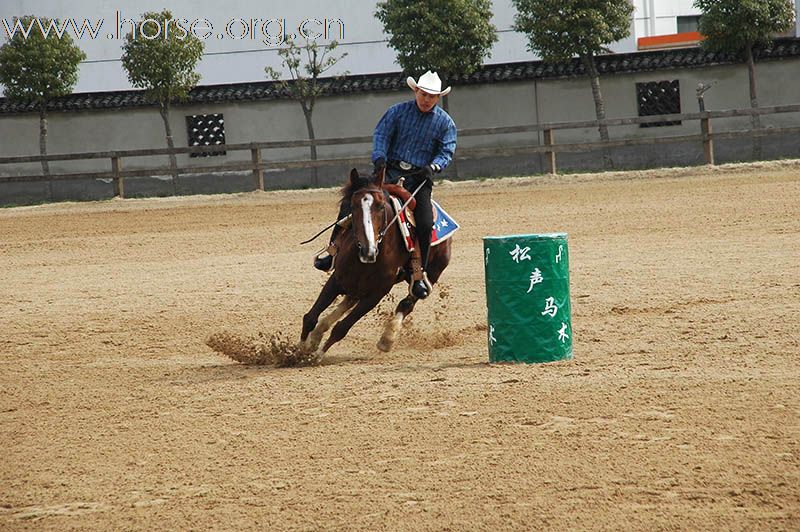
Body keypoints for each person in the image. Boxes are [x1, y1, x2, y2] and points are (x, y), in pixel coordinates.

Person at [313, 70, 457, 300]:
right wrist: (379, 156)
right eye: (423, 94)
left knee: (425, 221)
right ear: (416, 91)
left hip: (419, 179)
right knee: (354, 202)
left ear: (438, 98)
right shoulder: (396, 113)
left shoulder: (444, 123)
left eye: (431, 96)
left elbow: (446, 150)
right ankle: (331, 252)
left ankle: (418, 273)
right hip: (387, 172)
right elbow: (381, 135)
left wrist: (434, 167)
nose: (426, 99)